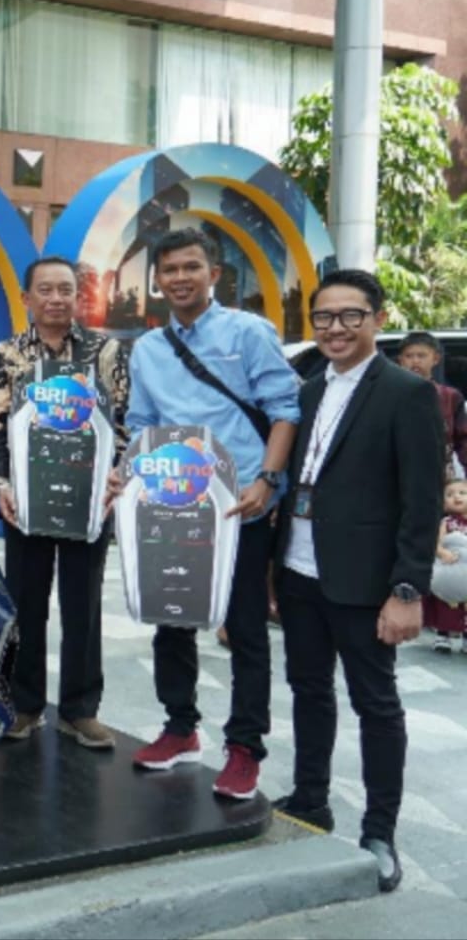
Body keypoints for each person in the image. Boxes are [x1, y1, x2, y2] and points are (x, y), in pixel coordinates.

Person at [273, 268, 442, 893]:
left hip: (365, 580)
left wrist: (407, 590)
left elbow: (421, 502)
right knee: (308, 690)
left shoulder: (406, 393)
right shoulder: (307, 389)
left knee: (376, 703)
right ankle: (310, 799)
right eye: (324, 317)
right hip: (299, 570)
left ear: (378, 320)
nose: (335, 328)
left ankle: (379, 831)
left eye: (351, 315)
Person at [117, 228, 300, 800]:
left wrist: (267, 480)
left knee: (245, 629)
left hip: (238, 506)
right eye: (169, 270)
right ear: (157, 280)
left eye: (191, 267)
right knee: (170, 620)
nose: (180, 278)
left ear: (214, 274)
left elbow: (284, 410)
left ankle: (244, 747)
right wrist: (127, 477)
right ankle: (180, 728)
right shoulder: (148, 349)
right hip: (172, 502)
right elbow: (142, 423)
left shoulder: (248, 332)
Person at [0, 256, 129, 750]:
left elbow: (123, 420)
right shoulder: (7, 355)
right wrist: (1, 484)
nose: (57, 299)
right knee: (25, 604)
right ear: (27, 298)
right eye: (46, 290)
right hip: (26, 501)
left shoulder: (105, 351)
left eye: (66, 289)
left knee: (84, 605)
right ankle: (24, 705)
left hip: (90, 500)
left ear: (78, 297)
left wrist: (114, 476)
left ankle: (80, 711)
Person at [395, 331, 467, 478]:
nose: (415, 361)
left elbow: (463, 441)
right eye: (409, 356)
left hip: (441, 476)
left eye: (421, 356)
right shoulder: (388, 395)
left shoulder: (450, 396)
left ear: (435, 359)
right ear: (400, 360)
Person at [427, 478, 467, 652]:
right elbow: (436, 544)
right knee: (445, 603)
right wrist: (442, 552)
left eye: (462, 493)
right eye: (450, 494)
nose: (456, 497)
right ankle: (443, 635)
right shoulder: (446, 522)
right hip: (449, 570)